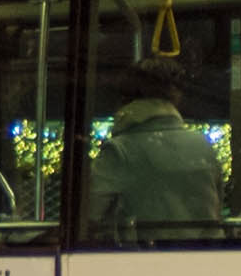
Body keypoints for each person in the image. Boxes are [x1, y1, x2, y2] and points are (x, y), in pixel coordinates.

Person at [86, 65, 229, 236]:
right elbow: (216, 210)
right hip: (208, 250)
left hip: (144, 251)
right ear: (174, 100)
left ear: (125, 101)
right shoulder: (202, 146)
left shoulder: (119, 150)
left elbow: (90, 214)